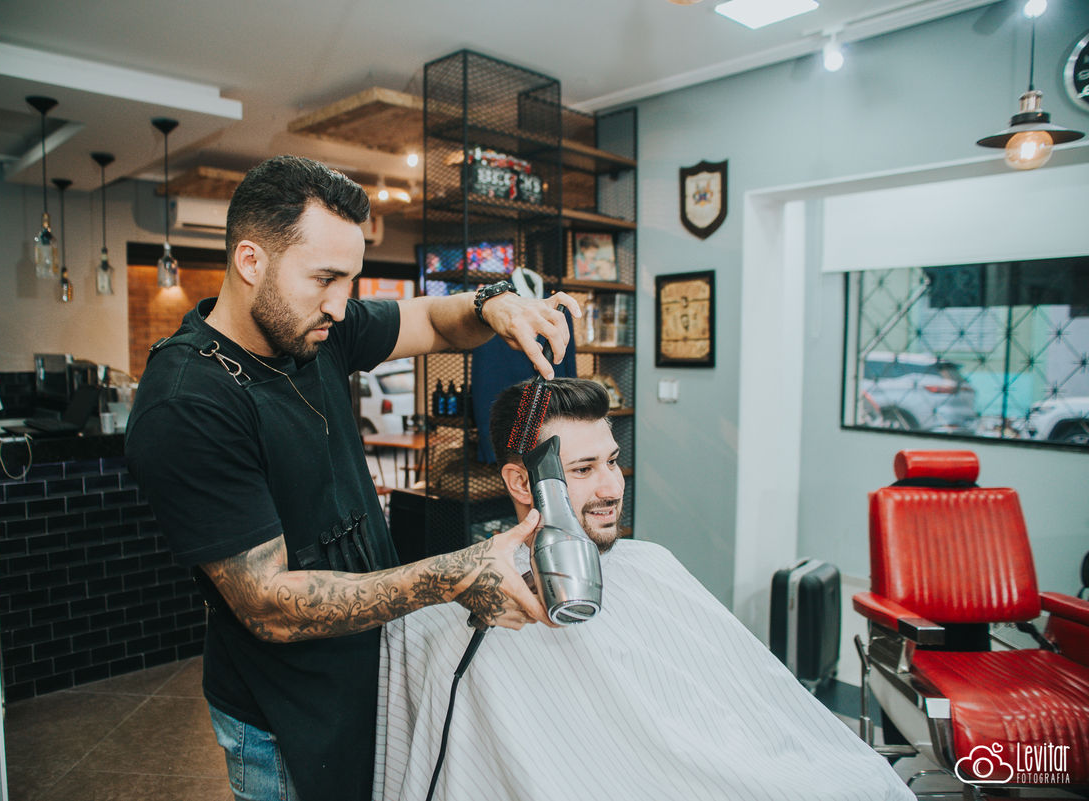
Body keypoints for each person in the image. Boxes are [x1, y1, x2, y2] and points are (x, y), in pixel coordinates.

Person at [125, 155, 581, 801]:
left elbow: (434, 320)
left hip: (362, 671)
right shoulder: (187, 403)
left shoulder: (315, 329)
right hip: (282, 713)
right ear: (250, 261)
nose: (341, 305)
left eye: (350, 280)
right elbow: (267, 604)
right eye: (325, 278)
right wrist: (449, 575)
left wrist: (494, 304)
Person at [373, 378, 913, 801]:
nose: (612, 487)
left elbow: (742, 707)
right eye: (583, 469)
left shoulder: (650, 564)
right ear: (521, 482)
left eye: (611, 461)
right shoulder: (451, 620)